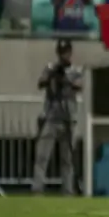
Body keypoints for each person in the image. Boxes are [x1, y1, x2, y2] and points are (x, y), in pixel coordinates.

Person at [33, 40, 82, 195]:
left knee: (67, 158)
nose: (64, 55)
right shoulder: (50, 68)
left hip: (68, 118)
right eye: (61, 53)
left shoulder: (75, 70)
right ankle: (37, 188)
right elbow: (40, 83)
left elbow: (80, 86)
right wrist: (51, 78)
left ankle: (68, 189)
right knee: (42, 155)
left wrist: (65, 80)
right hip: (51, 117)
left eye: (66, 52)